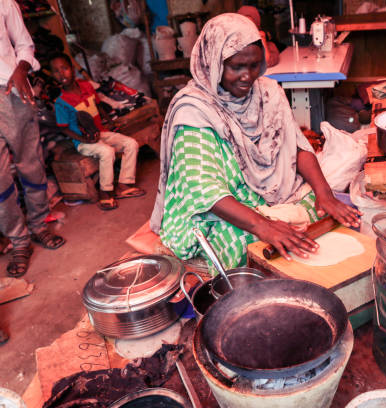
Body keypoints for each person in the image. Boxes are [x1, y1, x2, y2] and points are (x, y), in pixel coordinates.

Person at [151, 13, 360, 270]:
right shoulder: (194, 110)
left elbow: (296, 146)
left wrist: (325, 194)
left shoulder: (268, 92)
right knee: (248, 245)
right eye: (236, 67)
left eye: (253, 66)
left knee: (328, 211)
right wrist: (264, 226)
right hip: (223, 207)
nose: (247, 76)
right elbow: (204, 190)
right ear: (213, 62)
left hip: (271, 196)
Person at [0, 0, 65, 283]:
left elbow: (24, 44)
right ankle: (19, 242)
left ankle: (39, 225)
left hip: (10, 91)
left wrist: (21, 69)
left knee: (30, 164)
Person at [49, 53, 145, 210]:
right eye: (56, 71)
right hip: (82, 142)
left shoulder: (87, 86)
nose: (61, 74)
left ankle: (123, 184)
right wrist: (83, 139)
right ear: (53, 75)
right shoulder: (61, 102)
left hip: (100, 133)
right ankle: (105, 192)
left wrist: (109, 122)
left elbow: (99, 106)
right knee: (107, 151)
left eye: (64, 68)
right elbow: (64, 129)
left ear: (72, 69)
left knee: (131, 143)